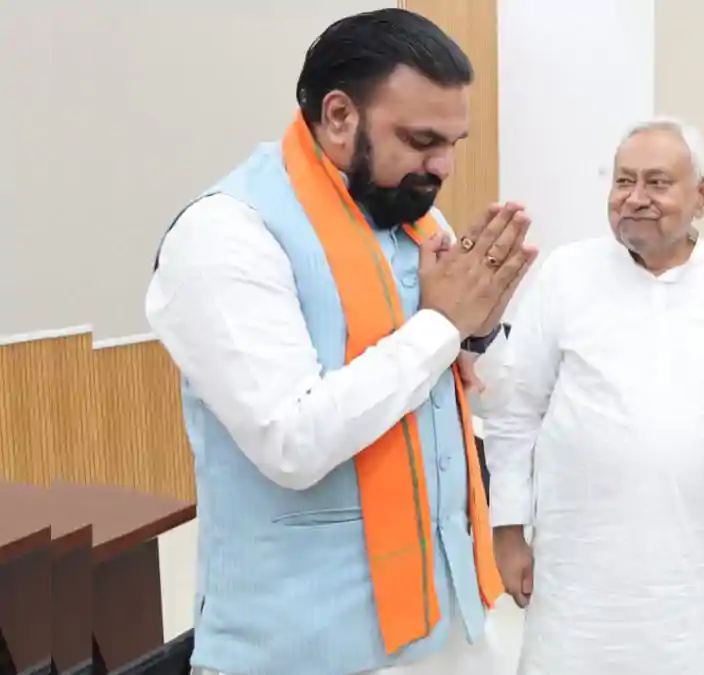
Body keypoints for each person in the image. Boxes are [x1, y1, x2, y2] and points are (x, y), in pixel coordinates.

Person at [144, 10, 535, 675]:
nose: (443, 165)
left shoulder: (415, 219)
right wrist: (441, 326)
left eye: (452, 142)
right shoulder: (226, 234)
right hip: (304, 647)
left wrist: (478, 328)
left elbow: (487, 398)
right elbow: (292, 441)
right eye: (421, 140)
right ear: (338, 116)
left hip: (449, 626)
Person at [484, 117, 704, 675]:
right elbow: (515, 412)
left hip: (695, 571)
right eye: (624, 181)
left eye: (657, 183)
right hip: (577, 572)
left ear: (702, 195)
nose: (635, 198)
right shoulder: (567, 273)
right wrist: (509, 528)